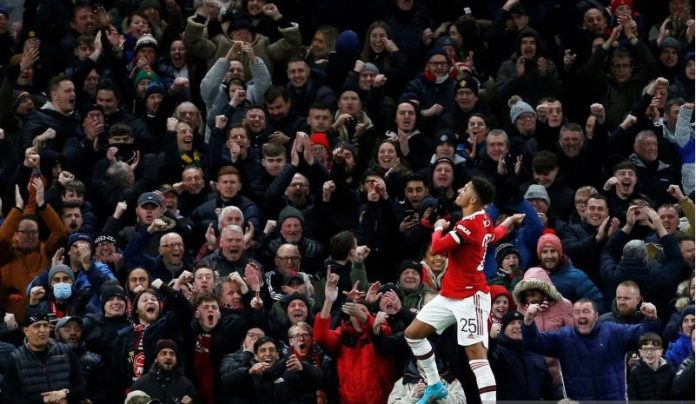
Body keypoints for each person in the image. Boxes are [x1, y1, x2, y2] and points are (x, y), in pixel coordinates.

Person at [404, 177, 497, 403]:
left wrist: (437, 228)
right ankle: (435, 384)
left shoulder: (468, 224)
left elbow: (437, 247)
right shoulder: (484, 219)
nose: (460, 190)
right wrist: (509, 222)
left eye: (465, 188)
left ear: (473, 199)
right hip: (450, 295)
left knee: (477, 359)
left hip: (470, 297)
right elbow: (495, 235)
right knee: (413, 335)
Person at [522, 298, 660, 400]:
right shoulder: (563, 337)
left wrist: (652, 319)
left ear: (596, 316)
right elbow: (534, 343)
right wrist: (528, 322)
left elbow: (642, 335)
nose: (581, 315)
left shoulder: (613, 332)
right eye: (577, 312)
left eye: (586, 311)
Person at [4, 313, 88, 403]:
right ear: (26, 331)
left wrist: (66, 394)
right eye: (36, 326)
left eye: (45, 325)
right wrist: (44, 400)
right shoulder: (15, 358)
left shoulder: (65, 351)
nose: (42, 330)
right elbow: (10, 398)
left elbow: (82, 387)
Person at [130, 339, 198, 404]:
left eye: (172, 354)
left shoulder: (187, 386)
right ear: (156, 359)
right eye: (163, 353)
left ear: (177, 360)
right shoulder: (140, 386)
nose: (168, 357)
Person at [628, 332, 675, 400]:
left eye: (653, 349)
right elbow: (632, 398)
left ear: (661, 351)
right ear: (640, 352)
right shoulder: (635, 372)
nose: (649, 352)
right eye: (645, 349)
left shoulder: (670, 370)